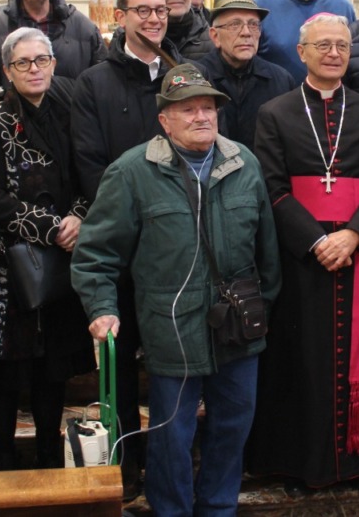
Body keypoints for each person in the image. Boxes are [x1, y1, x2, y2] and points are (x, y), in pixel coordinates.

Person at [73, 64, 281, 517]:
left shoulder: (244, 164)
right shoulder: (132, 172)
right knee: (172, 432)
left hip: (239, 324)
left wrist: (261, 303)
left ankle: (218, 507)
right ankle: (171, 510)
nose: (202, 117)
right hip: (172, 325)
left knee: (232, 426)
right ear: (164, 120)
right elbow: (95, 254)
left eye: (208, 108)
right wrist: (102, 307)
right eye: (188, 110)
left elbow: (268, 249)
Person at [246, 13, 359, 493]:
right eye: (323, 45)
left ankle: (356, 462)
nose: (334, 53)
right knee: (302, 360)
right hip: (301, 258)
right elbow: (271, 189)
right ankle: (300, 464)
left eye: (342, 45)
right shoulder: (275, 112)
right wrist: (317, 241)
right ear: (302, 53)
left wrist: (353, 236)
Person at [69, 0, 184, 495]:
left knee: (172, 362)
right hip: (121, 244)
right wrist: (132, 218)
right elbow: (89, 163)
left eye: (160, 10)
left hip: (177, 246)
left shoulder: (182, 76)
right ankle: (126, 467)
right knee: (119, 363)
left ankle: (168, 460)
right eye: (143, 11)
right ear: (121, 17)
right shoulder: (94, 82)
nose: (154, 19)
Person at [0, 28, 95, 469]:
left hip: (58, 263)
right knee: (3, 372)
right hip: (4, 269)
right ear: (7, 71)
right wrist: (51, 227)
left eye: (42, 60)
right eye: (24, 63)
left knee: (50, 368)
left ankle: (46, 454)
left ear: (55, 64)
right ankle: (2, 459)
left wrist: (78, 217)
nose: (34, 69)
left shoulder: (70, 115)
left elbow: (84, 177)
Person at [195, 0, 294, 150]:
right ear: (214, 36)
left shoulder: (281, 80)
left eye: (254, 25)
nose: (246, 33)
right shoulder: (197, 78)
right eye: (235, 25)